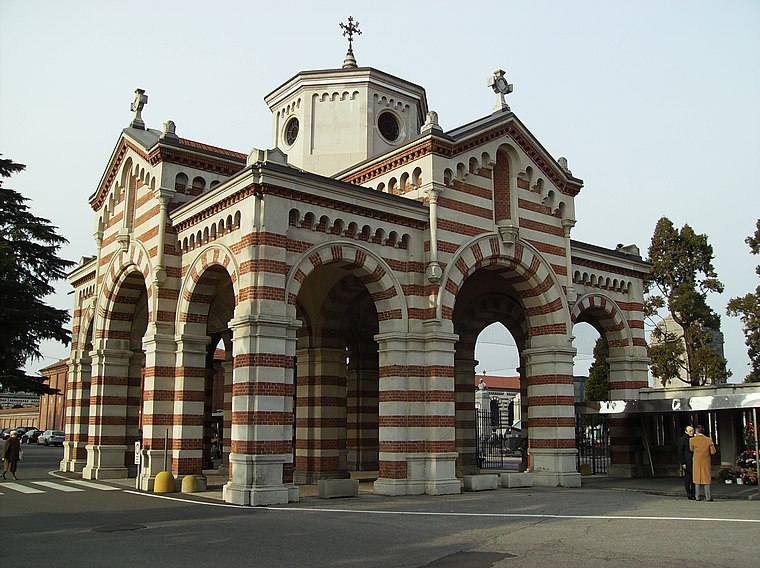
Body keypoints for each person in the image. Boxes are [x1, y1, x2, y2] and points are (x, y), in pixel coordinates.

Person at [689, 424, 717, 501]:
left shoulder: (692, 440)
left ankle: (697, 496)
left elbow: (691, 449)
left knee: (697, 479)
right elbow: (713, 452)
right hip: (706, 461)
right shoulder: (708, 440)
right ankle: (708, 497)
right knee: (706, 479)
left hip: (696, 461)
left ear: (697, 431)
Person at [676, 424, 695, 500]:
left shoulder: (694, 438)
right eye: (690, 431)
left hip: (694, 460)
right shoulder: (682, 440)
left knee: (694, 478)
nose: (691, 432)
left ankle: (694, 493)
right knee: (688, 477)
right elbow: (680, 452)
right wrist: (683, 463)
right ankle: (689, 493)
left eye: (692, 430)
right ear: (686, 432)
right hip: (687, 461)